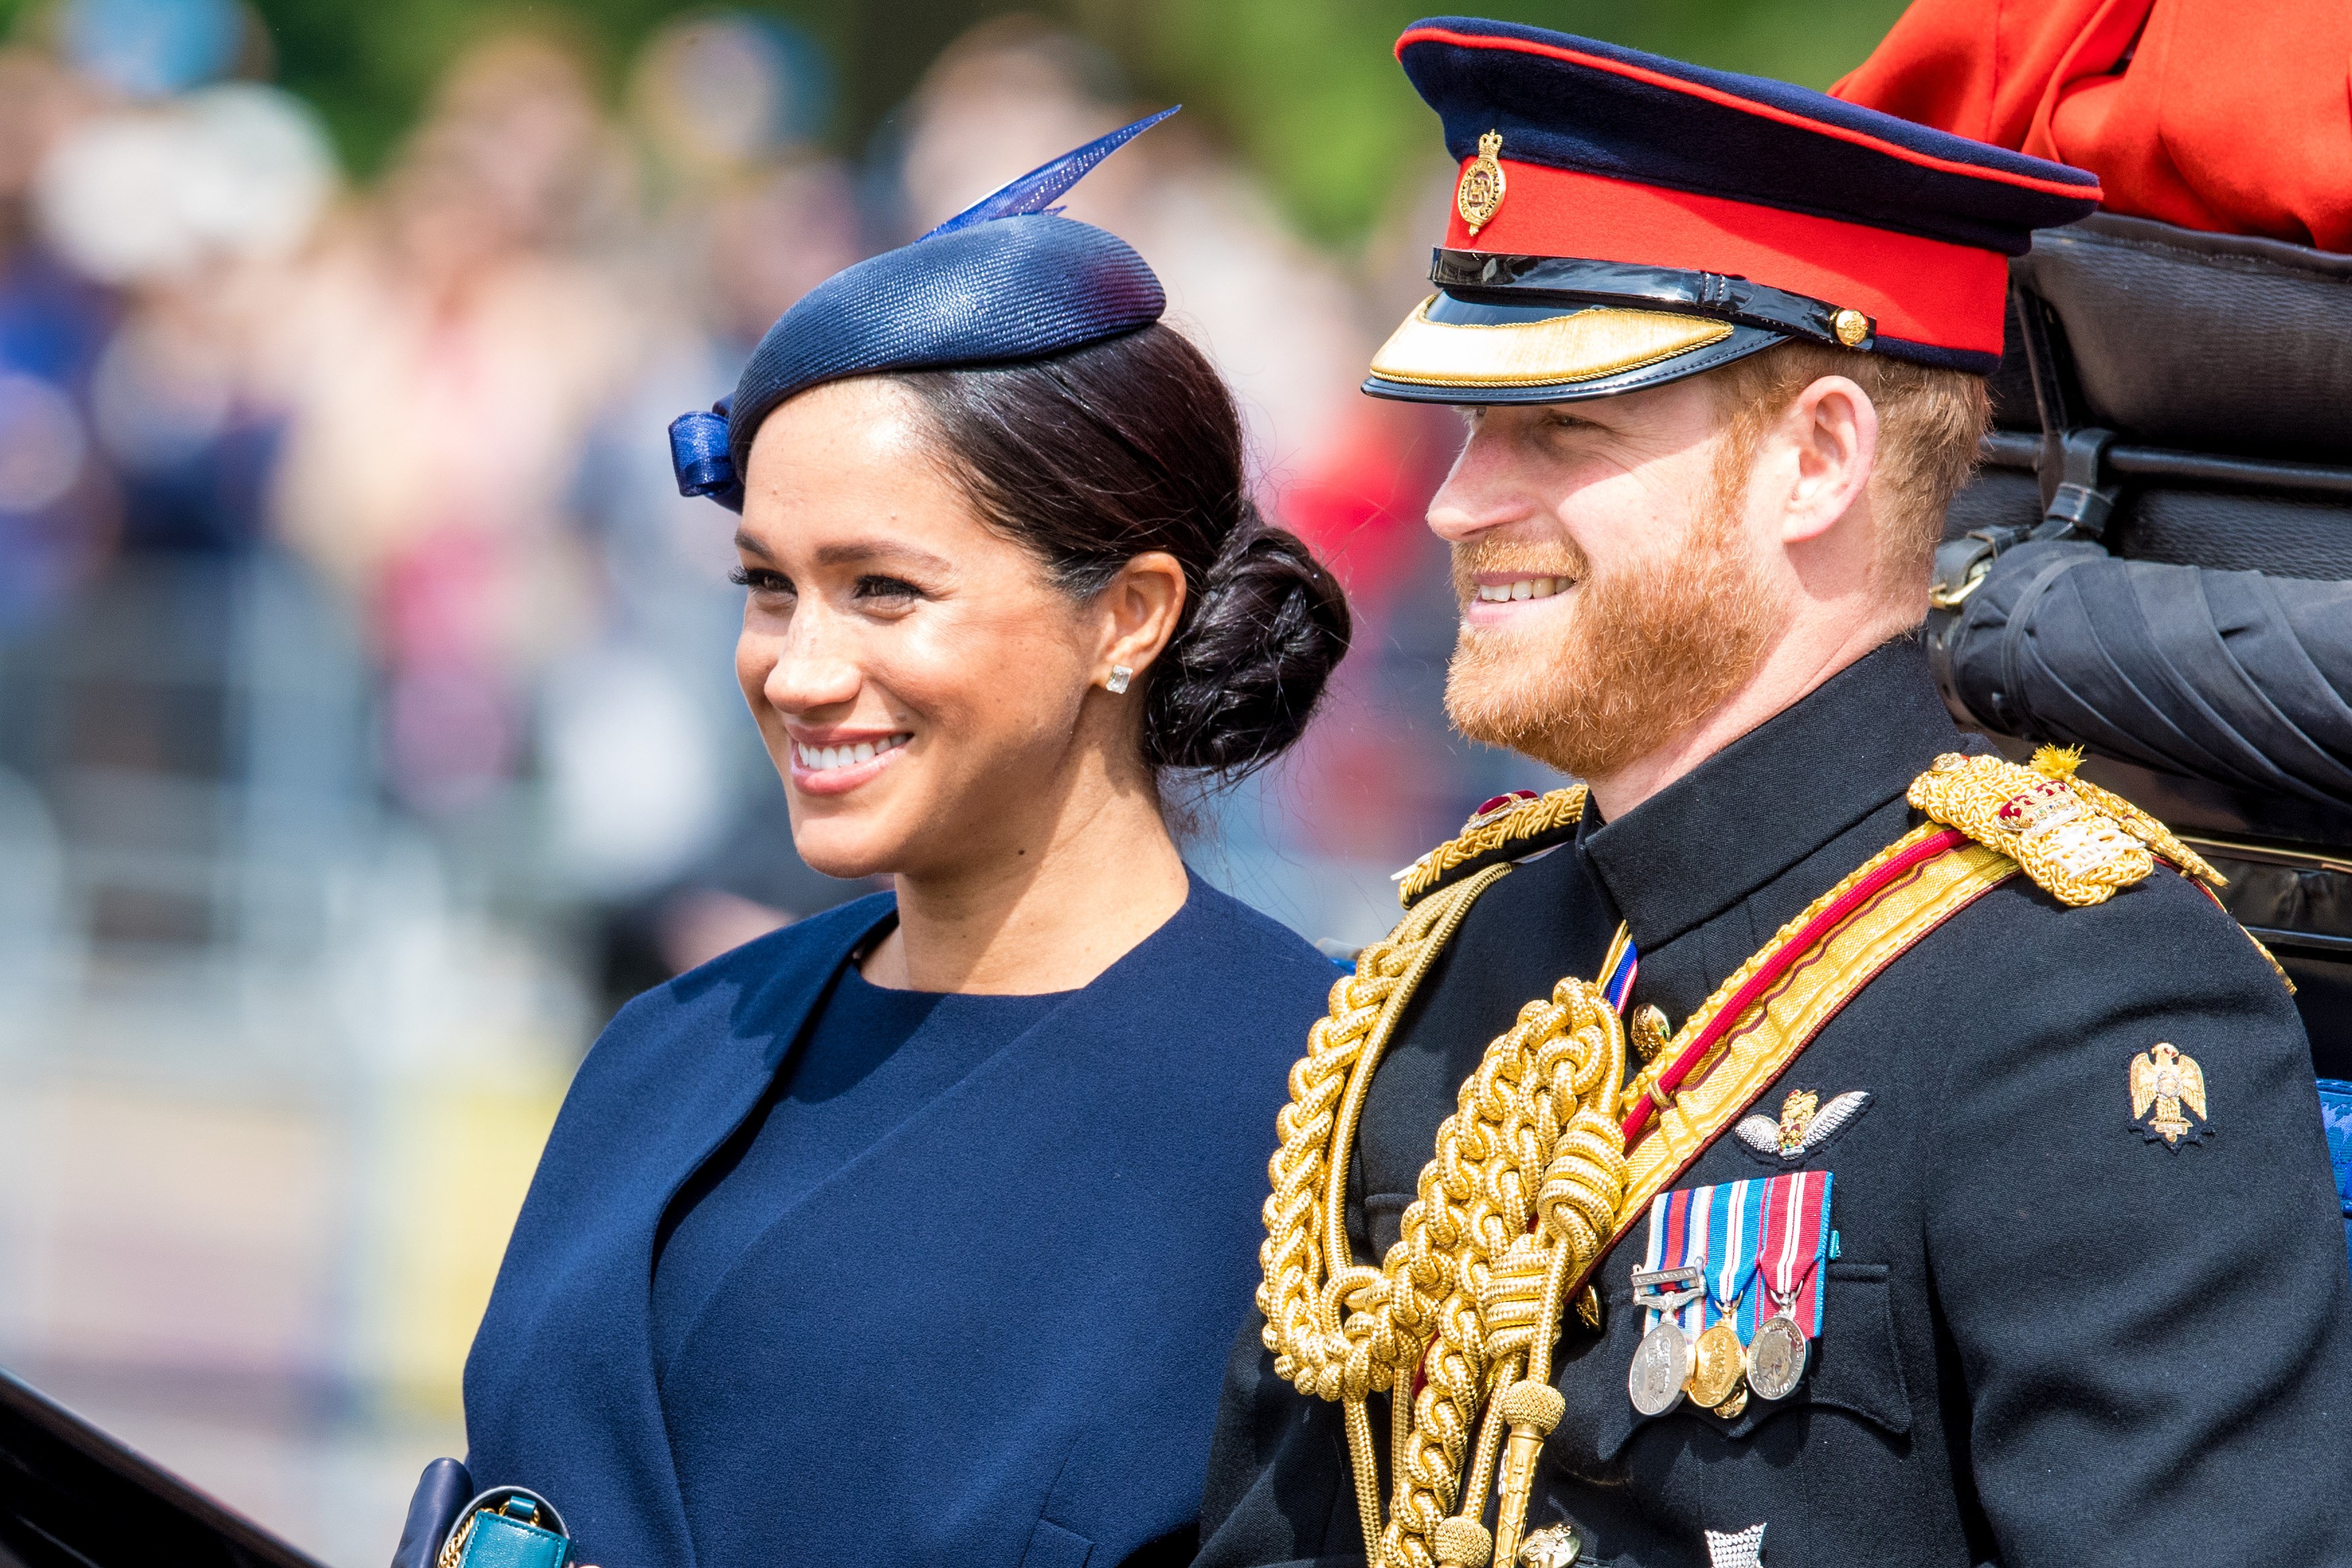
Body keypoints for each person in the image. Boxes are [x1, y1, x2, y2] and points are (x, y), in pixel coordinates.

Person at [1197, 20, 2352, 1568]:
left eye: (1558, 427)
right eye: (1468, 426)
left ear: (1816, 459)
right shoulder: (1445, 968)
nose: (1457, 501)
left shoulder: (2082, 1001)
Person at [447, 113, 1353, 1568]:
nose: (797, 670)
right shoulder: (671, 1048)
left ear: (1125, 616)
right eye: (767, 586)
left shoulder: (1321, 1115)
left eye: (881, 589)